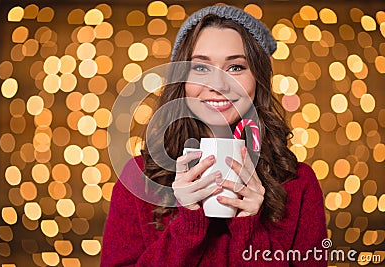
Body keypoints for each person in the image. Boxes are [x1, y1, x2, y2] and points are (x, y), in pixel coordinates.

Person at [101, 5, 327, 267]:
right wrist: (188, 225)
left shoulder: (299, 184)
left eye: (235, 67)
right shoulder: (139, 179)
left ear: (258, 79)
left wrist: (250, 229)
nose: (218, 85)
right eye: (201, 68)